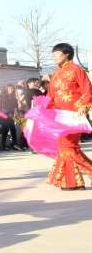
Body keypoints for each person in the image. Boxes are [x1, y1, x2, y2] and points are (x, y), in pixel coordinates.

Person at [44, 43, 92, 190]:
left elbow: (87, 89)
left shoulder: (77, 70)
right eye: (53, 53)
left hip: (73, 114)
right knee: (64, 148)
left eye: (57, 52)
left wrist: (83, 107)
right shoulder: (56, 74)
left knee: (69, 147)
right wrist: (44, 111)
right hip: (58, 116)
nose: (54, 56)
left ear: (67, 54)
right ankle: (73, 182)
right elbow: (50, 96)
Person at [0, 84, 20, 151]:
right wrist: (8, 113)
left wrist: (15, 109)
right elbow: (2, 107)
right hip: (4, 115)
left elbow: (16, 105)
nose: (11, 90)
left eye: (12, 88)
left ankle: (14, 144)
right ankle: (3, 145)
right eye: (10, 88)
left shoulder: (13, 98)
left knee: (13, 129)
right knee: (6, 129)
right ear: (7, 89)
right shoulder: (3, 96)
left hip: (11, 116)